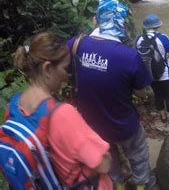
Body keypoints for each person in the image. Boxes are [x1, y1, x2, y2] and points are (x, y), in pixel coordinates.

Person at [68, 0, 154, 190]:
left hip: (93, 123)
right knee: (138, 153)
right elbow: (141, 92)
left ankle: (118, 184)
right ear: (121, 25)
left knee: (108, 154)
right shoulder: (128, 56)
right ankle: (141, 185)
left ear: (95, 20)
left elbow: (66, 71)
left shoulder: (76, 44)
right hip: (124, 124)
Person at [8, 32, 113, 189]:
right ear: (48, 68)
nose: (67, 75)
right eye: (66, 68)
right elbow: (103, 165)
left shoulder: (14, 105)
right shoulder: (63, 115)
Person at [135, 14, 169, 123]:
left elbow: (137, 55)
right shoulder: (162, 37)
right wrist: (161, 58)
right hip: (165, 74)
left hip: (150, 74)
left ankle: (162, 116)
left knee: (158, 95)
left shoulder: (138, 39)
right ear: (158, 25)